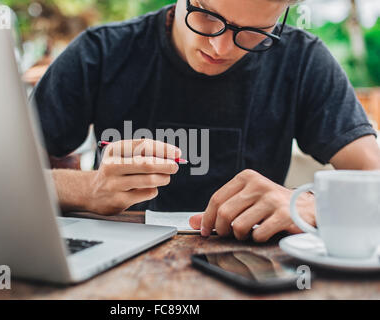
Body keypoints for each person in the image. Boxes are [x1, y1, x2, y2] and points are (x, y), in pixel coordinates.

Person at [31, 0, 380, 242]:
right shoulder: (100, 53)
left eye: (255, 31)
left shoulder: (302, 60)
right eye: (208, 16)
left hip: (251, 271)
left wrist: (307, 204)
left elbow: (373, 175)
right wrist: (89, 190)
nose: (221, 47)